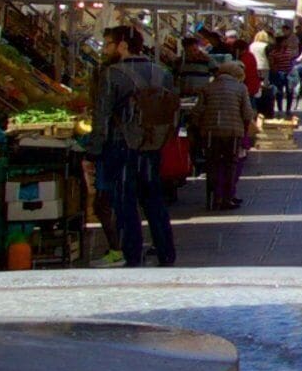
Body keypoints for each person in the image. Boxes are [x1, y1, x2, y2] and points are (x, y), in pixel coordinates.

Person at [86, 24, 181, 268]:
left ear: (123, 45)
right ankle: (166, 252)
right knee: (154, 200)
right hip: (153, 146)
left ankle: (132, 254)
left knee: (125, 202)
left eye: (108, 44)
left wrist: (93, 151)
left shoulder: (113, 74)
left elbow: (102, 116)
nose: (105, 49)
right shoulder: (162, 73)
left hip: (121, 145)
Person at [186, 31, 255, 213]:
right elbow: (247, 113)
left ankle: (212, 197)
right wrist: (248, 130)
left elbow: (198, 111)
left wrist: (195, 127)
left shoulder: (208, 87)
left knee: (213, 165)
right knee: (230, 165)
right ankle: (226, 197)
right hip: (232, 133)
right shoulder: (241, 88)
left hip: (210, 133)